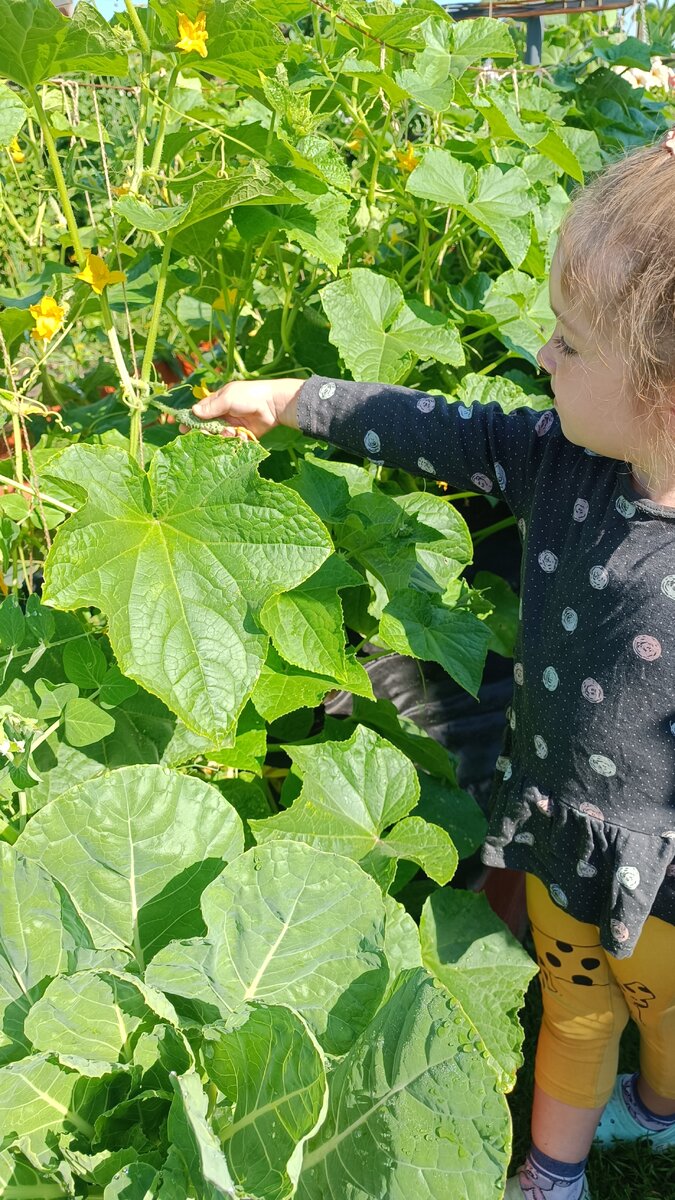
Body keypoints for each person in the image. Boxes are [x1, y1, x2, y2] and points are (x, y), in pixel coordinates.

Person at [186, 130, 675, 1200]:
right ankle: (554, 1167)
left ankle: (659, 1103)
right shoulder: (558, 459)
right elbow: (433, 428)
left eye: (571, 343)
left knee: (662, 1006)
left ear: (663, 391)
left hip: (669, 873)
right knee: (576, 1001)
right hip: (556, 832)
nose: (542, 355)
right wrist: (295, 397)